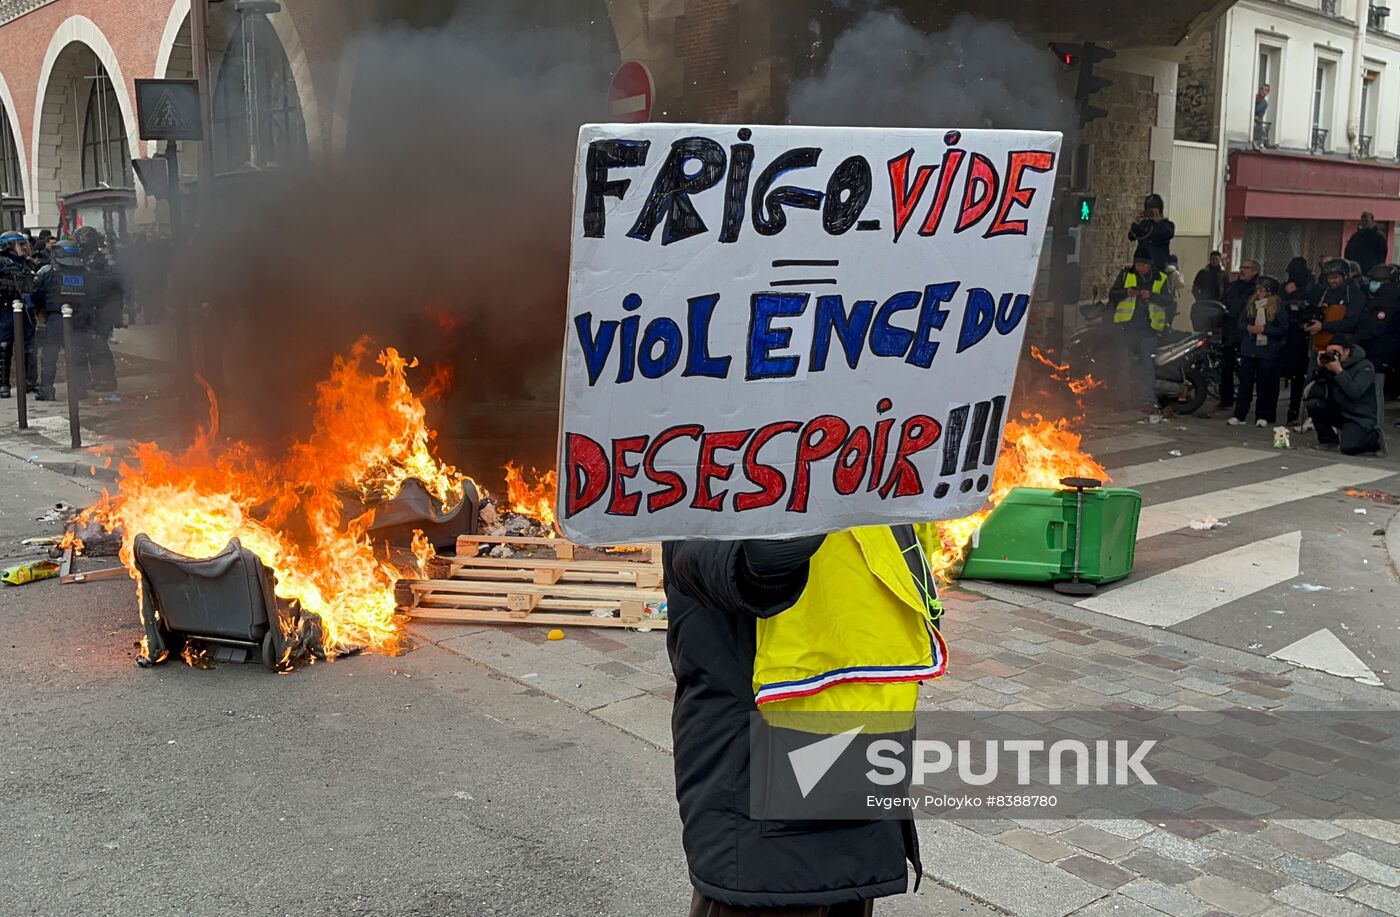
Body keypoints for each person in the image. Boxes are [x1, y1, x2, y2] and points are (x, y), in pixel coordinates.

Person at [664, 528, 945, 914]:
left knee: (836, 891)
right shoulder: (716, 477)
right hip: (764, 777)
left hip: (861, 760)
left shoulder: (877, 482)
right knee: (778, 893)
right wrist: (777, 542)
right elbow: (705, 563)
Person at [1109, 254, 1172, 412]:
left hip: (1149, 330)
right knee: (1124, 365)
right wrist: (1126, 292)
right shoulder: (1126, 275)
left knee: (1147, 367)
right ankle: (1122, 401)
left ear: (1150, 265)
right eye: (1138, 265)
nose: (1140, 268)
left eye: (1143, 265)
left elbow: (1168, 300)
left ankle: (1147, 401)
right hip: (1126, 328)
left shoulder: (1161, 278)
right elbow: (1112, 294)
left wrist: (1151, 296)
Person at [30, 239, 92, 401]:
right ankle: (80, 389)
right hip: (78, 318)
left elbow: (36, 296)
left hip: (56, 319)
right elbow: (93, 295)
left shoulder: (48, 272)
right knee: (77, 354)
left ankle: (46, 390)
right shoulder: (85, 272)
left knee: (50, 355)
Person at [1228, 275, 1290, 428]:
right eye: (1258, 290)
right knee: (1245, 383)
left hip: (1268, 350)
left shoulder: (1278, 308)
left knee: (1265, 384)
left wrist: (1265, 329)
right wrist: (1249, 328)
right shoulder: (1251, 305)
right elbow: (1241, 322)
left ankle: (1263, 415)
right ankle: (1239, 414)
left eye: (1263, 290)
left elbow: (1283, 328)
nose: (1259, 293)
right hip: (1250, 348)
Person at [1307, 334, 1384, 455]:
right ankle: (1328, 440)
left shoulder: (1365, 366)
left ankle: (1374, 438)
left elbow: (1354, 392)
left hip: (1358, 415)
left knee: (1349, 447)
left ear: (1347, 351)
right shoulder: (1331, 365)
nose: (1333, 356)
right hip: (1339, 410)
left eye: (1336, 352)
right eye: (1329, 352)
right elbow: (1315, 389)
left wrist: (1339, 371)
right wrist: (1320, 369)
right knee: (1314, 404)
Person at [74, 226, 121, 392]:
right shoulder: (82, 256)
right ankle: (97, 377)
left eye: (84, 240)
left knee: (100, 343)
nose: (81, 244)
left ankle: (108, 378)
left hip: (104, 306)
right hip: (89, 305)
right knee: (90, 344)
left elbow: (114, 279)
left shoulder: (104, 256)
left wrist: (93, 276)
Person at [1355, 263, 1400, 427]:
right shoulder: (1379, 299)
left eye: (1376, 280)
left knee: (1375, 390)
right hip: (1375, 350)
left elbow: (1376, 328)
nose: (1372, 284)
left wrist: (1355, 339)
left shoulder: (1388, 302)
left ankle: (1376, 429)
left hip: (1379, 352)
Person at [1281, 257, 1321, 428]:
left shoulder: (1312, 288)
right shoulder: (1286, 287)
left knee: (1302, 377)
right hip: (1289, 335)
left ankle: (1296, 413)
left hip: (1306, 336)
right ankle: (1292, 413)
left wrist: (1295, 296)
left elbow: (1313, 307)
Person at [0, 230, 37, 398]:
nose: (24, 247)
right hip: (7, 309)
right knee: (4, 346)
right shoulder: (1, 262)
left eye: (24, 244)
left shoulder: (28, 264)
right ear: (9, 246)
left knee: (29, 344)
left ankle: (30, 381)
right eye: (20, 244)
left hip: (27, 309)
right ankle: (3, 384)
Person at [1220, 259, 1260, 410]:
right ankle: (1226, 399)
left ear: (1255, 271)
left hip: (1247, 334)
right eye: (1241, 267)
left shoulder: (1258, 289)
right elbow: (1223, 304)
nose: (1243, 270)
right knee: (1226, 367)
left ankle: (1243, 403)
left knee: (1246, 371)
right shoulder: (1232, 287)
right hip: (1230, 332)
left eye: (1247, 268)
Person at [1304, 258, 1366, 351]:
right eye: (1329, 278)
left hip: (1341, 346)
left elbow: (1350, 323)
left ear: (1345, 276)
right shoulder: (1327, 292)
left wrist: (1323, 326)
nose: (1331, 281)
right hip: (1320, 342)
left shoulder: (1355, 296)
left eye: (1335, 277)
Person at [1126, 193, 1175, 272]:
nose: (1151, 214)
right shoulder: (1144, 224)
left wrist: (1158, 221)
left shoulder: (1167, 224)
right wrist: (1136, 223)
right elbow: (1131, 236)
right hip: (1141, 266)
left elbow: (1169, 234)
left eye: (1153, 211)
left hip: (1158, 267)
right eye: (1150, 211)